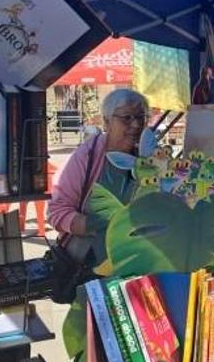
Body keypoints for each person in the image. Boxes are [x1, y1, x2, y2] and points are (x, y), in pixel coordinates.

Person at [48, 88, 148, 265]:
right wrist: (99, 225)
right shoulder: (88, 155)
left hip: (135, 258)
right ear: (107, 122)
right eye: (127, 118)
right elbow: (57, 211)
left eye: (141, 117)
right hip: (87, 261)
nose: (136, 125)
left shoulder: (149, 158)